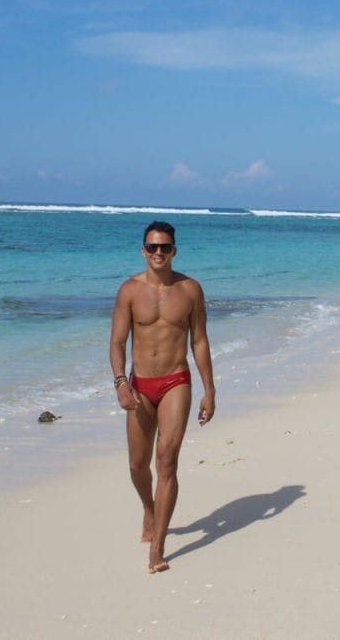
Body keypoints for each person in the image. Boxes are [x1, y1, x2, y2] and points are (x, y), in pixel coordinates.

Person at [109, 221, 216, 573]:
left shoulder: (190, 290)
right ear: (143, 250)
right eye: (153, 247)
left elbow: (198, 341)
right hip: (140, 385)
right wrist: (121, 384)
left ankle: (157, 547)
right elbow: (117, 343)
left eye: (165, 247)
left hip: (176, 382)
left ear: (174, 251)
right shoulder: (128, 291)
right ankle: (150, 510)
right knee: (137, 467)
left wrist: (209, 389)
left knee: (166, 461)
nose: (159, 253)